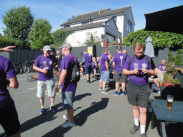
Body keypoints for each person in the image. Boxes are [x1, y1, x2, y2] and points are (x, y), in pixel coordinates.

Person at [123, 43, 155, 137]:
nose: (139, 54)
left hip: (144, 87)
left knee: (144, 110)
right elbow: (124, 71)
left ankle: (142, 131)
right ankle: (136, 124)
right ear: (134, 50)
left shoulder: (148, 58)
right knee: (135, 107)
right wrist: (133, 71)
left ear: (143, 50)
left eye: (141, 52)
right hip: (132, 86)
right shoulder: (130, 58)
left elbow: (153, 72)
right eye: (137, 52)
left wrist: (148, 71)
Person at [56, 43, 78, 128]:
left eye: (62, 48)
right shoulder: (73, 56)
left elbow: (64, 72)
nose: (61, 50)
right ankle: (69, 116)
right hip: (73, 83)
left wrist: (58, 85)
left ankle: (71, 122)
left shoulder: (66, 57)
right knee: (70, 102)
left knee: (68, 104)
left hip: (67, 85)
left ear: (65, 48)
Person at [0, 46, 21, 137]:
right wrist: (5, 81)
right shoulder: (5, 61)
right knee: (14, 133)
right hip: (3, 103)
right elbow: (14, 85)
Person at [33, 45, 58, 114]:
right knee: (41, 94)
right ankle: (42, 107)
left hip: (50, 78)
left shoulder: (52, 57)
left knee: (52, 93)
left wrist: (53, 66)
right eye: (47, 51)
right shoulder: (40, 58)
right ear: (43, 51)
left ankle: (52, 105)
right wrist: (41, 70)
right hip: (41, 79)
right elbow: (34, 67)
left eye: (49, 51)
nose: (48, 52)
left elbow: (57, 62)